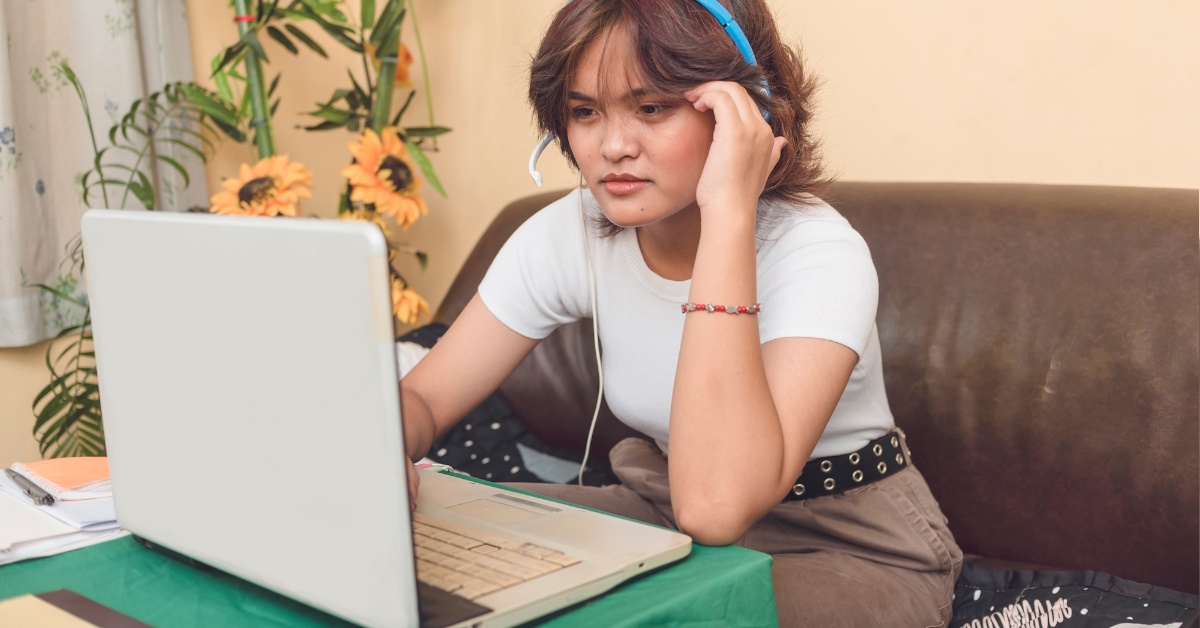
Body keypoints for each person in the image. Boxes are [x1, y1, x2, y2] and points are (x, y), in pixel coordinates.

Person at [399, 0, 963, 625]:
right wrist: (385, 453)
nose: (613, 147)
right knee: (437, 542)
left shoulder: (817, 251)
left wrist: (728, 213)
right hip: (661, 508)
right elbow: (421, 398)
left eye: (652, 108)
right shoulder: (569, 233)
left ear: (748, 112)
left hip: (847, 542)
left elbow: (717, 506)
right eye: (585, 112)